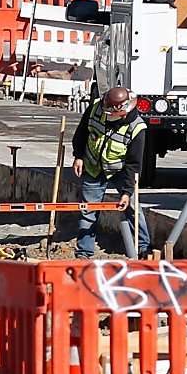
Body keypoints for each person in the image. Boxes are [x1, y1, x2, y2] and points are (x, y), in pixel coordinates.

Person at [71, 86, 148, 258]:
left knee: (133, 208)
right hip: (93, 167)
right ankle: (84, 252)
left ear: (123, 112)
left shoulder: (137, 129)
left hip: (120, 170)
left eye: (111, 113)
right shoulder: (95, 108)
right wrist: (78, 156)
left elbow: (134, 164)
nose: (107, 116)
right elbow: (81, 133)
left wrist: (127, 192)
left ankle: (143, 246)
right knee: (88, 210)